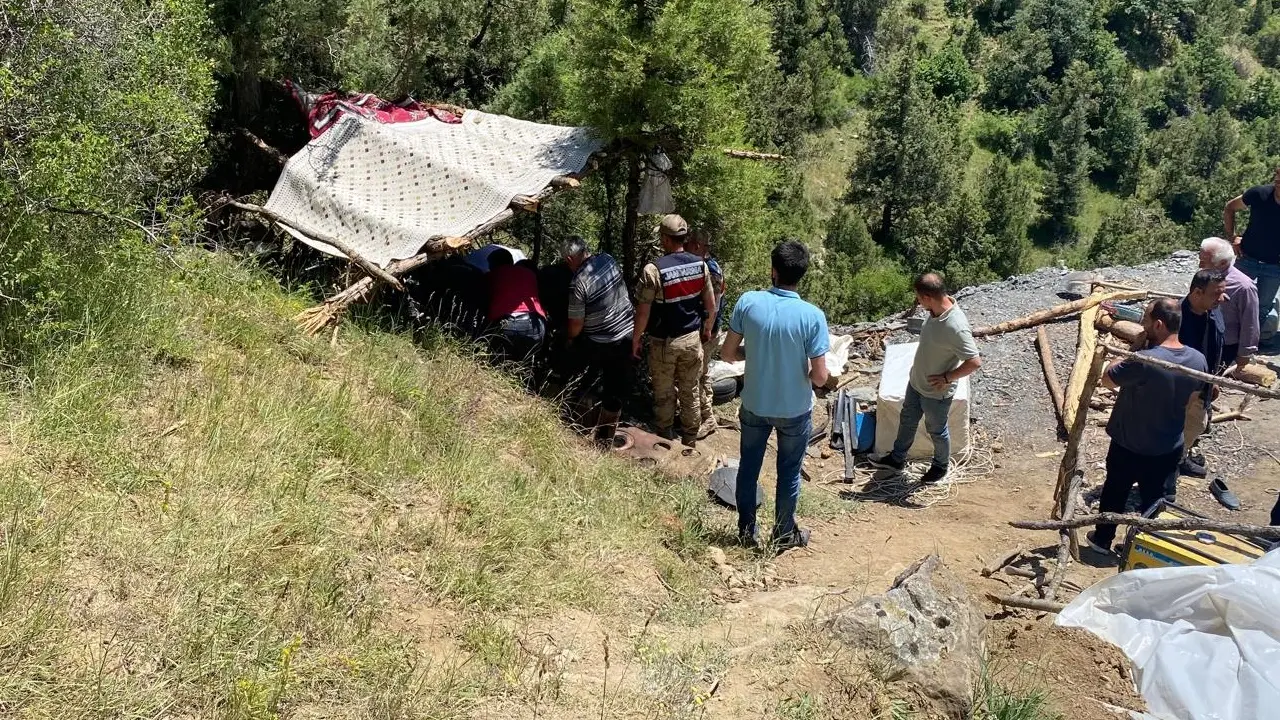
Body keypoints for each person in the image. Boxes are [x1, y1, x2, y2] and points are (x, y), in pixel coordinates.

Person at [721, 240, 829, 551]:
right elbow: (820, 376)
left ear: (773, 271)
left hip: (754, 403)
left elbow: (728, 353)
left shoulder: (748, 302)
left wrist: (754, 352)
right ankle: (782, 535)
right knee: (789, 472)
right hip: (794, 409)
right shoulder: (812, 316)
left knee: (749, 467)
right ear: (801, 275)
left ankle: (745, 532)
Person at [1086, 298, 1208, 555]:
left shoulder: (1144, 360)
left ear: (1159, 325)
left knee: (1115, 491)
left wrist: (1134, 347)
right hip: (1169, 443)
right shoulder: (1198, 360)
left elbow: (1108, 380)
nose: (1143, 325)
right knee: (1154, 500)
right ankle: (1143, 546)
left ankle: (1102, 539)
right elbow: (1201, 395)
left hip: (1130, 442)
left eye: (1146, 321)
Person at [870, 273, 982, 485]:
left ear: (928, 297)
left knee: (937, 431)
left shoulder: (956, 326)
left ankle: (940, 467)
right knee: (908, 420)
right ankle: (896, 459)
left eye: (919, 299)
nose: (919, 303)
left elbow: (974, 362)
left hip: (936, 393)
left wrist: (948, 377)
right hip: (916, 383)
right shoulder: (935, 311)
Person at [633, 214, 717, 446]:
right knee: (689, 391)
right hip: (691, 339)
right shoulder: (700, 266)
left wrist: (636, 338)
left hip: (664, 342)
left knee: (664, 392)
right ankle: (690, 440)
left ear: (665, 239)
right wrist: (707, 329)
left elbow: (643, 312)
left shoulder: (654, 270)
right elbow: (711, 305)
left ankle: (664, 439)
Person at [562, 236, 636, 445]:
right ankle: (604, 439)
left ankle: (580, 428)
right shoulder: (608, 259)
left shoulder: (578, 283)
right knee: (615, 389)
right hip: (627, 333)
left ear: (569, 258)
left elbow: (576, 326)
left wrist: (568, 339)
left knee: (588, 382)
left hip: (602, 341)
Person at [1176, 269, 1228, 483]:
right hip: (1181, 391)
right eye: (1216, 293)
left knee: (1195, 427)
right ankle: (1169, 468)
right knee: (1187, 426)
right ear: (1197, 293)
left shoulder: (1212, 310)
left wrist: (1213, 380)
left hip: (1205, 384)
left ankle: (1179, 458)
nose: (1222, 298)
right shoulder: (1176, 317)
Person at [1223, 169, 1280, 333]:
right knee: (1230, 297)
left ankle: (1248, 344)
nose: (1278, 179)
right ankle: (1225, 336)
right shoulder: (1259, 194)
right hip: (1247, 257)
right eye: (1277, 174)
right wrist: (1232, 237)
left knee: (1261, 308)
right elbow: (1230, 207)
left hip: (1274, 266)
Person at [685, 229, 726, 439]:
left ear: (698, 246)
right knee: (700, 373)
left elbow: (714, 305)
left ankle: (707, 418)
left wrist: (707, 330)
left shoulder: (711, 269)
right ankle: (700, 414)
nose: (686, 248)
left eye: (689, 244)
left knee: (699, 374)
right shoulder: (702, 266)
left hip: (707, 332)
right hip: (702, 329)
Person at [1199, 237, 1259, 369]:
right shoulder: (1205, 274)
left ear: (1222, 263)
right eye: (1200, 259)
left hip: (1225, 345)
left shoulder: (1243, 287)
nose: (1199, 266)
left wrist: (1244, 353)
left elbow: (1250, 322)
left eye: (1204, 262)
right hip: (1203, 337)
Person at [486, 248, 546, 364]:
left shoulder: (492, 275)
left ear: (493, 264)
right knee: (525, 367)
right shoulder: (529, 273)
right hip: (534, 323)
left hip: (504, 322)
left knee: (499, 366)